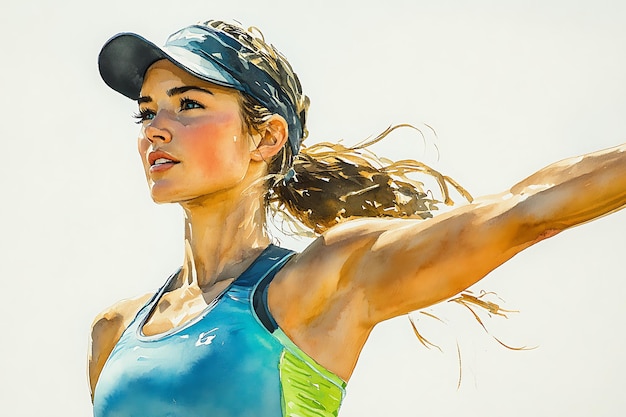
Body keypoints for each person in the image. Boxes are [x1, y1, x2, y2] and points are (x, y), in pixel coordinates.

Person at [89, 19, 626, 417]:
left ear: (265, 137)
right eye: (146, 110)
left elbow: (525, 210)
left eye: (188, 105)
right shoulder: (115, 334)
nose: (155, 128)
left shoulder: (320, 283)